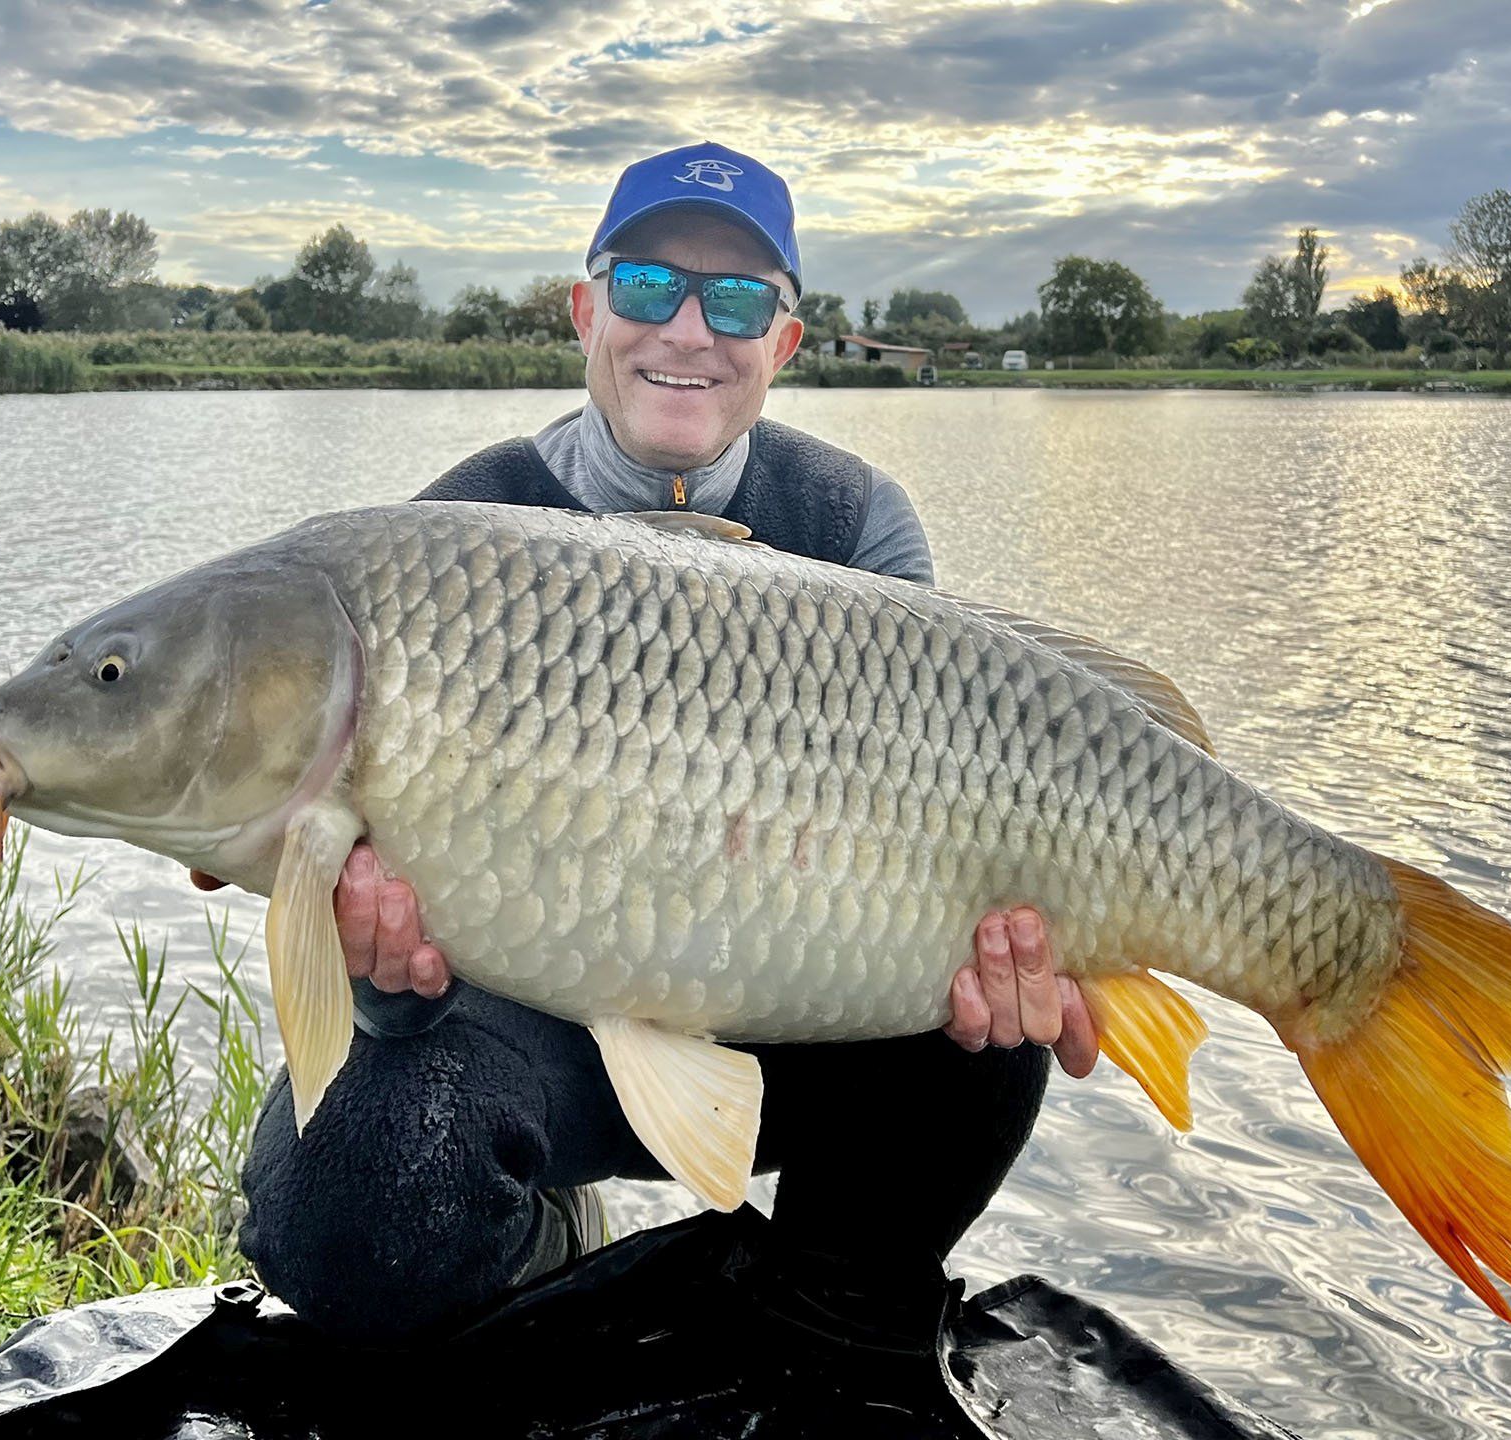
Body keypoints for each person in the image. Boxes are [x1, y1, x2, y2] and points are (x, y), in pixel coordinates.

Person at [234, 143, 1097, 1340]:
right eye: (648, 288)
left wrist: (1050, 955)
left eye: (738, 299)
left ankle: (827, 1317)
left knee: (993, 1012)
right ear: (586, 311)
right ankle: (544, 1256)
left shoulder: (855, 521)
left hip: (801, 1013)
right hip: (532, 1033)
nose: (688, 330)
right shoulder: (448, 532)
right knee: (335, 1207)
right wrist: (384, 988)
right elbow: (379, 967)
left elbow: (946, 807)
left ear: (782, 345)